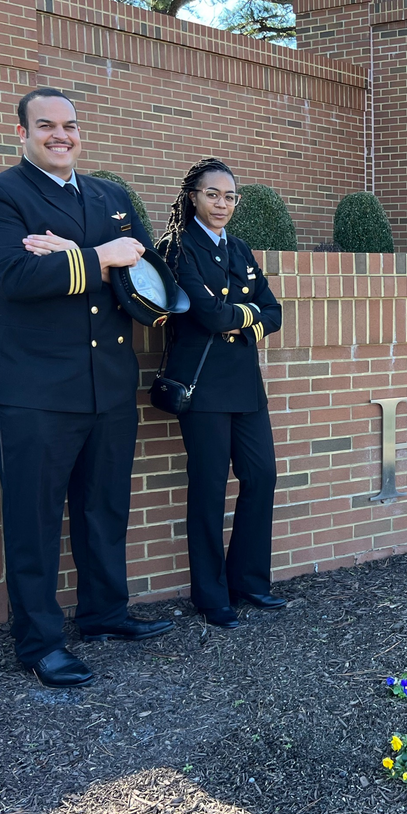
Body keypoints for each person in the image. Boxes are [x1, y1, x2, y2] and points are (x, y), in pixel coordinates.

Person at [0, 88, 172, 688]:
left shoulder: (110, 196)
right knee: (34, 519)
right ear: (23, 133)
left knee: (103, 508)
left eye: (71, 126)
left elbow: (149, 278)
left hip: (107, 384)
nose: (62, 135)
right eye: (47, 126)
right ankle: (40, 642)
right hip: (34, 389)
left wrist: (76, 256)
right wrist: (99, 256)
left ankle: (105, 615)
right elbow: (13, 276)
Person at [157, 158, 285, 628]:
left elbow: (273, 312)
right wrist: (243, 314)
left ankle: (248, 581)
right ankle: (211, 597)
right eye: (213, 194)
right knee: (209, 490)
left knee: (262, 475)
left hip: (246, 385)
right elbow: (208, 315)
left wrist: (237, 314)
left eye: (230, 196)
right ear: (193, 196)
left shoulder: (240, 248)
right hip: (204, 386)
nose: (222, 204)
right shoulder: (177, 248)